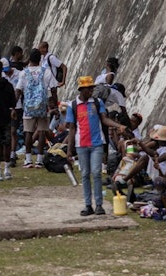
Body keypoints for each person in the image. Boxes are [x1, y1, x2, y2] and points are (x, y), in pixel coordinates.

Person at [66, 76, 125, 216]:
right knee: (85, 174)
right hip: (81, 144)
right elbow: (72, 128)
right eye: (89, 88)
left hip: (97, 143)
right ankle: (88, 205)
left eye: (92, 88)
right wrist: (69, 150)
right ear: (82, 89)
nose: (91, 91)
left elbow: (104, 119)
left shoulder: (97, 102)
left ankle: (99, 205)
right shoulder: (73, 105)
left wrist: (118, 125)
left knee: (96, 173)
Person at [15, 49, 58, 169]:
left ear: (29, 59)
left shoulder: (24, 73)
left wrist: (13, 107)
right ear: (40, 59)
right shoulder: (47, 72)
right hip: (42, 107)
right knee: (42, 132)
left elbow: (18, 91)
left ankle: (28, 160)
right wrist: (55, 106)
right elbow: (53, 90)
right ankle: (39, 160)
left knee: (28, 132)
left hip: (29, 107)